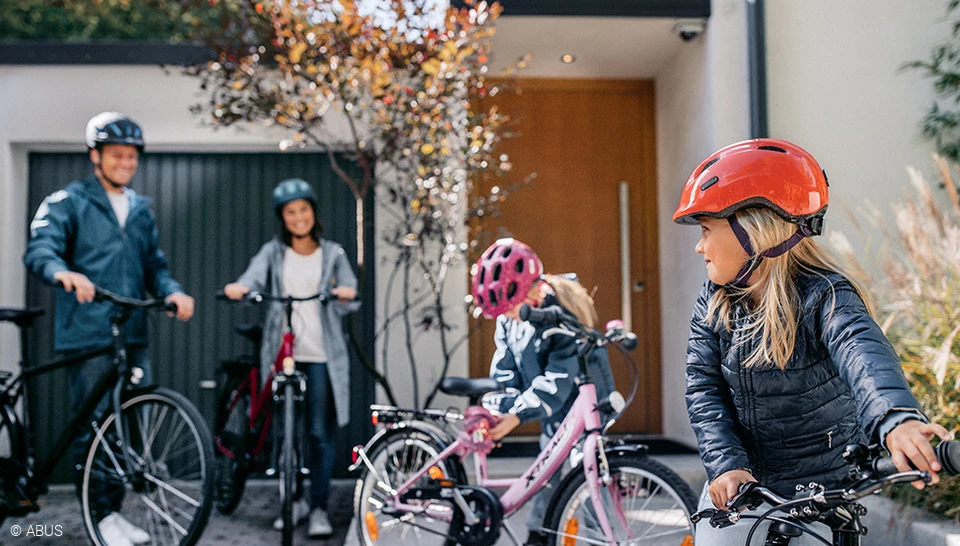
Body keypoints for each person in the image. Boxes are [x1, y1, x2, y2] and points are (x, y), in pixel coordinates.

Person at [673, 138, 952, 544]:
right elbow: (704, 388)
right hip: (746, 490)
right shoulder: (715, 301)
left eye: (705, 229)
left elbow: (863, 353)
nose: (699, 246)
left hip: (823, 494)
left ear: (753, 232)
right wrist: (727, 465)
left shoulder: (826, 296)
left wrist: (896, 420)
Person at [23, 111, 195, 546]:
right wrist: (63, 273)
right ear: (95, 156)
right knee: (96, 427)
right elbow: (41, 248)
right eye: (117, 154)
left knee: (128, 427)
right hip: (88, 332)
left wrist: (173, 292)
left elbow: (156, 267)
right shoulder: (68, 202)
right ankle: (100, 518)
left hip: (131, 331)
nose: (125, 162)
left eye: (131, 156)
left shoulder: (139, 210)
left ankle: (113, 514)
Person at [222, 178, 360, 538]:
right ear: (282, 218)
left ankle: (318, 508)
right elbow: (252, 278)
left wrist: (344, 293)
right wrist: (241, 287)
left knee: (318, 432)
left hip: (321, 354)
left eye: (303, 209)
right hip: (284, 353)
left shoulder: (333, 253)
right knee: (284, 433)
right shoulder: (273, 252)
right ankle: (292, 500)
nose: (298, 217)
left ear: (313, 212)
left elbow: (351, 291)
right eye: (290, 212)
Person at [471, 238, 615, 546]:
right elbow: (506, 373)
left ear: (532, 291)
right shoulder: (508, 320)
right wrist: (499, 411)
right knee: (546, 470)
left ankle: (602, 538)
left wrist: (518, 414)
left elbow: (557, 380)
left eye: (511, 311)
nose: (507, 317)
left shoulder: (560, 312)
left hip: (584, 404)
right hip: (549, 407)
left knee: (586, 469)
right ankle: (538, 535)